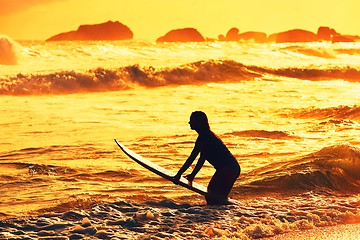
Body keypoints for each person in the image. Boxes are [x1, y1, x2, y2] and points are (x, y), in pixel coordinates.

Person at [172, 111, 240, 205]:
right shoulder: (208, 135)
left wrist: (178, 175)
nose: (189, 122)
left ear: (199, 122)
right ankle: (230, 214)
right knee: (217, 198)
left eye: (192, 120)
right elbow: (201, 159)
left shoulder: (204, 137)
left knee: (212, 196)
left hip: (227, 169)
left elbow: (192, 158)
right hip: (234, 168)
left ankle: (216, 216)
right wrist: (192, 175)